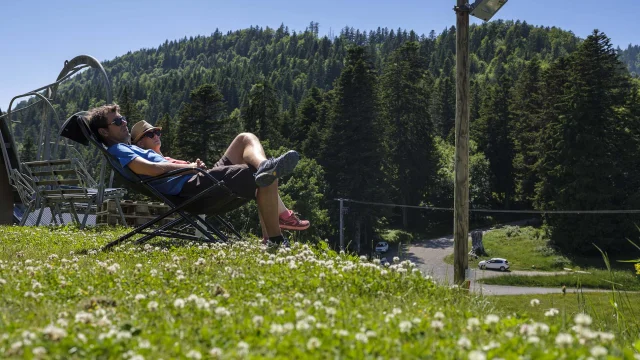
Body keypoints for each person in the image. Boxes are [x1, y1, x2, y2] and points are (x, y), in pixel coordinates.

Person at [88, 104, 298, 247]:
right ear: (104, 132)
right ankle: (275, 240)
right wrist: (187, 168)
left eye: (122, 119)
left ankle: (264, 166)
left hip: (199, 181)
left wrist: (188, 167)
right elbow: (150, 170)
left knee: (245, 138)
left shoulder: (128, 148)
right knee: (263, 176)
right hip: (192, 188)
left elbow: (156, 166)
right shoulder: (120, 150)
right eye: (117, 122)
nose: (124, 122)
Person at [130, 120, 310, 242]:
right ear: (139, 144)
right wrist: (192, 167)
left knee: (244, 138)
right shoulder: (145, 158)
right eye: (150, 134)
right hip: (198, 188)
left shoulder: (163, 157)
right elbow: (156, 172)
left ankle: (265, 166)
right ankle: (276, 231)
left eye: (157, 132)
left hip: (204, 177)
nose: (156, 135)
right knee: (257, 175)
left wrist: (194, 166)